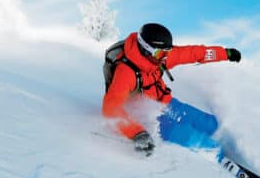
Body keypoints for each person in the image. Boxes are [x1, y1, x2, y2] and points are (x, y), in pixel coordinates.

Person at [102, 23, 241, 156]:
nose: (164, 58)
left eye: (166, 52)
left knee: (210, 124)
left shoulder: (161, 56)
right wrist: (137, 133)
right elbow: (111, 109)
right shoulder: (126, 72)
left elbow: (195, 53)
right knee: (202, 142)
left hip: (166, 102)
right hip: (148, 118)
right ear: (146, 49)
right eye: (160, 54)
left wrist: (225, 53)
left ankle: (231, 145)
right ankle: (218, 157)